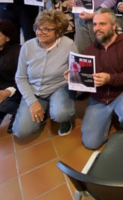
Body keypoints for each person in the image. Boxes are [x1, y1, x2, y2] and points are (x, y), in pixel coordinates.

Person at [70, 8, 123, 149]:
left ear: (114, 25)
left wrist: (110, 78)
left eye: (102, 24)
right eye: (95, 24)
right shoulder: (88, 50)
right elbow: (86, 81)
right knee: (91, 143)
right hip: (99, 98)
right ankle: (106, 119)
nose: (97, 28)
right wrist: (74, 78)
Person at [13, 10, 78, 138]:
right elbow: (20, 78)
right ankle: (41, 108)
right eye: (38, 28)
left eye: (47, 29)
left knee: (60, 113)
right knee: (21, 131)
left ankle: (64, 119)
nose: (40, 32)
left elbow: (77, 73)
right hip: (34, 90)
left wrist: (72, 78)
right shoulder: (27, 46)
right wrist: (32, 102)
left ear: (58, 31)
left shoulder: (69, 45)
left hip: (59, 88)